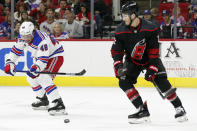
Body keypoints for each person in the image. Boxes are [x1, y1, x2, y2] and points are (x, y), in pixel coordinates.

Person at [110, 1, 188, 124]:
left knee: (162, 82)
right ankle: (142, 110)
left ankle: (179, 108)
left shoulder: (150, 28)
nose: (123, 18)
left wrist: (152, 69)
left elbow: (154, 52)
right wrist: (118, 65)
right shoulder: (120, 30)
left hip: (150, 59)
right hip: (133, 61)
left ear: (133, 15)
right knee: (123, 81)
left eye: (125, 15)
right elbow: (116, 51)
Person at [4, 21, 66, 115]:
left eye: (28, 36)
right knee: (30, 78)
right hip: (41, 56)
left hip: (55, 56)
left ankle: (58, 103)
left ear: (33, 31)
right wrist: (10, 62)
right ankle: (43, 99)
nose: (25, 38)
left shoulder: (41, 40)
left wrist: (35, 68)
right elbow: (15, 52)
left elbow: (43, 60)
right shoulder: (23, 37)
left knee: (43, 77)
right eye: (23, 36)